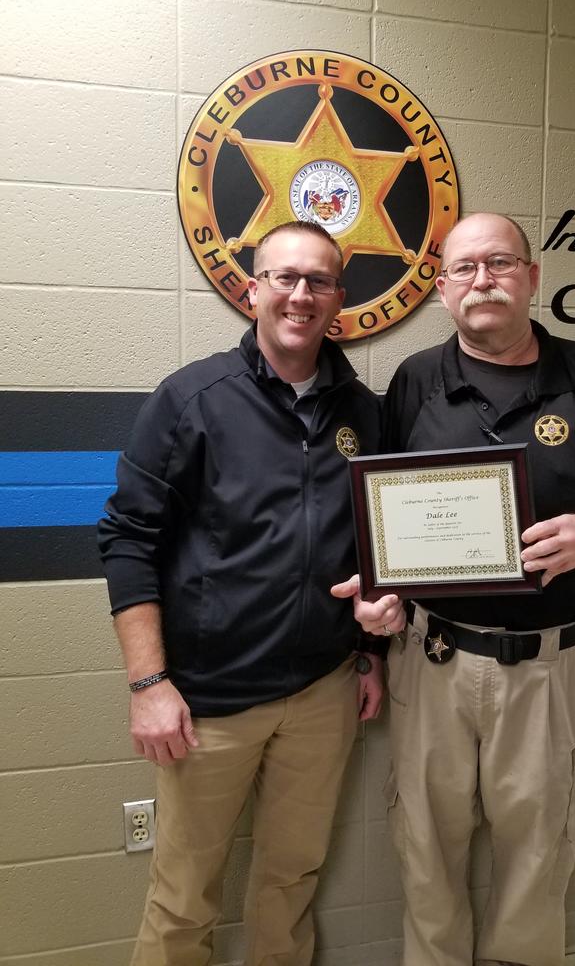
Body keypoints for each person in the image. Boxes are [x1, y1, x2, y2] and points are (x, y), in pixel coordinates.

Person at [338, 213, 575, 966]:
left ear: (532, 277)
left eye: (499, 262)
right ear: (443, 289)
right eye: (463, 269)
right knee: (424, 849)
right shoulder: (415, 381)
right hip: (433, 661)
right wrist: (375, 602)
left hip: (552, 666)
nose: (482, 280)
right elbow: (377, 512)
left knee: (539, 850)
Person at [98, 220, 385, 966]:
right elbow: (128, 539)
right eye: (284, 277)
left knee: (291, 880)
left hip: (323, 693)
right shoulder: (192, 398)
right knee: (184, 893)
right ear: (252, 289)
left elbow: (378, 544)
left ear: (338, 299)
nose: (300, 294)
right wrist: (149, 683)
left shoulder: (364, 412)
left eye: (318, 280)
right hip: (207, 704)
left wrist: (371, 650)